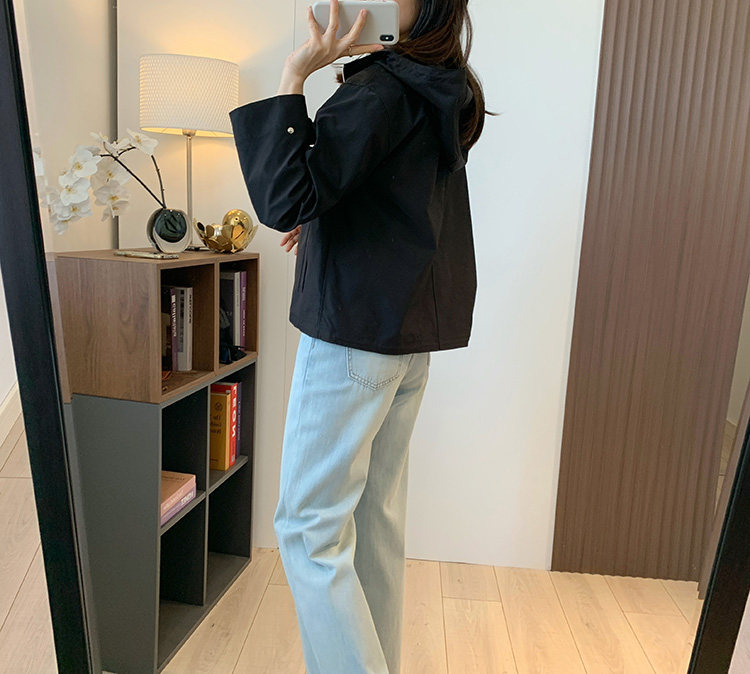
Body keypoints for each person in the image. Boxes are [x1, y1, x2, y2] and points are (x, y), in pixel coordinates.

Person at [228, 0, 490, 671]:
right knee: (374, 522)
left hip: (352, 340)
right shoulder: (437, 86)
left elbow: (285, 199)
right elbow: (385, 198)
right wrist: (319, 217)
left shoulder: (377, 91)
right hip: (403, 341)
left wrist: (295, 74)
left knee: (307, 529)